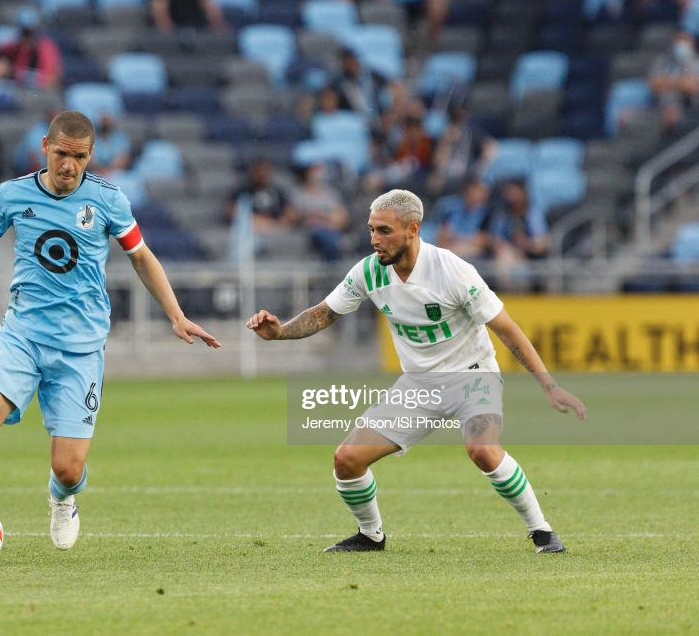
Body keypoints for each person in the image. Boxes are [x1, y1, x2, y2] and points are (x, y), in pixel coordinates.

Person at [0, 110, 221, 563]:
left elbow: (141, 257)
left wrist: (176, 314)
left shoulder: (109, 200)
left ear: (91, 155)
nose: (68, 165)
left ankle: (63, 498)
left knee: (68, 468)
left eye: (79, 157)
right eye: (61, 154)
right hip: (21, 336)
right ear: (45, 147)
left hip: (80, 348)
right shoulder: (12, 195)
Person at [247, 188, 585, 554]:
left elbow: (507, 329)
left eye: (384, 230)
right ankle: (371, 535)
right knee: (346, 460)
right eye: (371, 229)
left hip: (473, 376)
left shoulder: (453, 271)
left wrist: (549, 386)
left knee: (482, 449)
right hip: (419, 384)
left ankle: (543, 532)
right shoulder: (369, 271)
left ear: (413, 229)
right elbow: (323, 313)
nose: (375, 239)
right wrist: (279, 332)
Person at [289, 161, 349, 261]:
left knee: (331, 237)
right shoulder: (298, 193)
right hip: (309, 233)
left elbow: (342, 219)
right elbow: (291, 217)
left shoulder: (331, 194)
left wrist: (322, 216)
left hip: (330, 229)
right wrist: (308, 216)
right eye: (314, 169)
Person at [648, 31, 699, 134]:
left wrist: (669, 82)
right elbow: (654, 83)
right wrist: (680, 83)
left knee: (674, 113)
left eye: (685, 40)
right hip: (660, 106)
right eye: (679, 40)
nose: (681, 44)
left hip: (689, 107)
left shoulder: (695, 61)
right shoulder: (664, 60)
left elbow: (693, 86)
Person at [0, 12, 63, 90]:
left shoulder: (45, 47)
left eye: (29, 33)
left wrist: (37, 80)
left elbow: (53, 77)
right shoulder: (13, 46)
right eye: (24, 33)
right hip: (15, 88)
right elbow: (3, 65)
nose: (26, 37)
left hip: (38, 90)